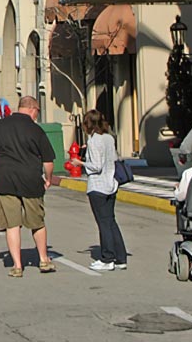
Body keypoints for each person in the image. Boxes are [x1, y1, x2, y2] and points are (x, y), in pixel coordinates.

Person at [0, 96, 55, 277]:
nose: (37, 114)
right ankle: (44, 259)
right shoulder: (36, 130)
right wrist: (48, 178)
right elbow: (48, 160)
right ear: (31, 109)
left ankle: (17, 265)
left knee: (12, 224)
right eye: (37, 110)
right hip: (30, 179)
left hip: (4, 179)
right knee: (37, 222)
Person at [79, 110, 127, 272]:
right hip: (111, 184)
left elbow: (96, 166)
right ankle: (121, 257)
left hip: (98, 186)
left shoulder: (93, 140)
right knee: (111, 221)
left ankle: (107, 258)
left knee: (103, 223)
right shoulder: (109, 138)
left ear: (88, 124)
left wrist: (81, 162)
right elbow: (113, 159)